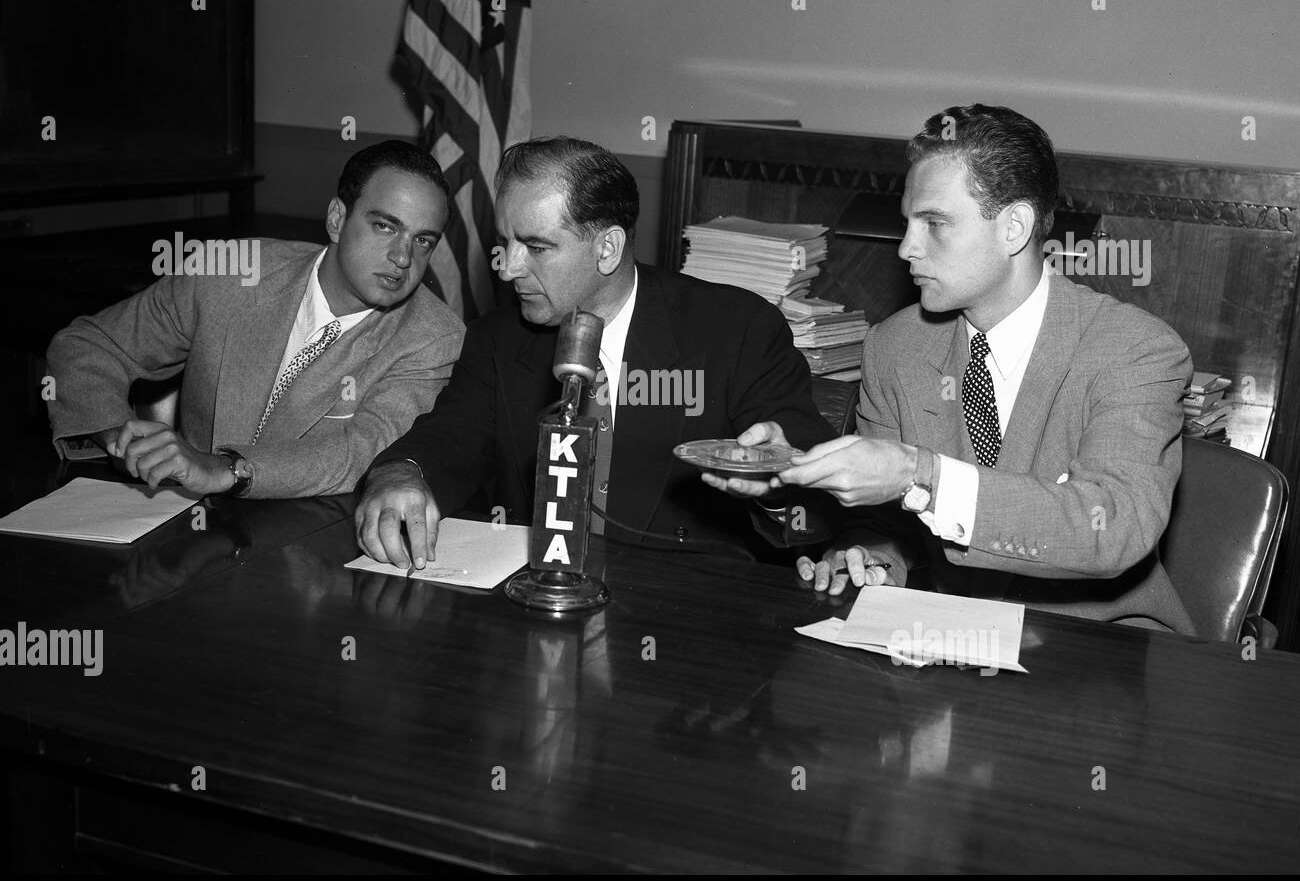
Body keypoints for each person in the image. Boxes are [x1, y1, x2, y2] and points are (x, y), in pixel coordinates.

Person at [719, 105, 1194, 633]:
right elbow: (884, 519)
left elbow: (1112, 529)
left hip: (1102, 653)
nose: (906, 248)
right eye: (907, 222)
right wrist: (861, 547)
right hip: (950, 643)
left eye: (935, 223)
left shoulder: (1136, 350)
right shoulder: (895, 346)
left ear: (1014, 227)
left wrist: (918, 473)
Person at [354, 136, 836, 568]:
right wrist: (402, 471)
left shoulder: (737, 330)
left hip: (682, 614)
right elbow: (453, 436)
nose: (507, 269)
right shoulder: (498, 336)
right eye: (506, 242)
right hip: (538, 598)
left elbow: (814, 510)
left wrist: (777, 487)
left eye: (536, 247)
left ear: (608, 248)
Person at [45, 140, 465, 498]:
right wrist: (119, 439)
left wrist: (225, 468)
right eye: (385, 227)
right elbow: (87, 345)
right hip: (180, 522)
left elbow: (363, 452)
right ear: (338, 219)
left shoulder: (433, 337)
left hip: (310, 546)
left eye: (422, 240)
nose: (403, 257)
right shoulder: (228, 272)